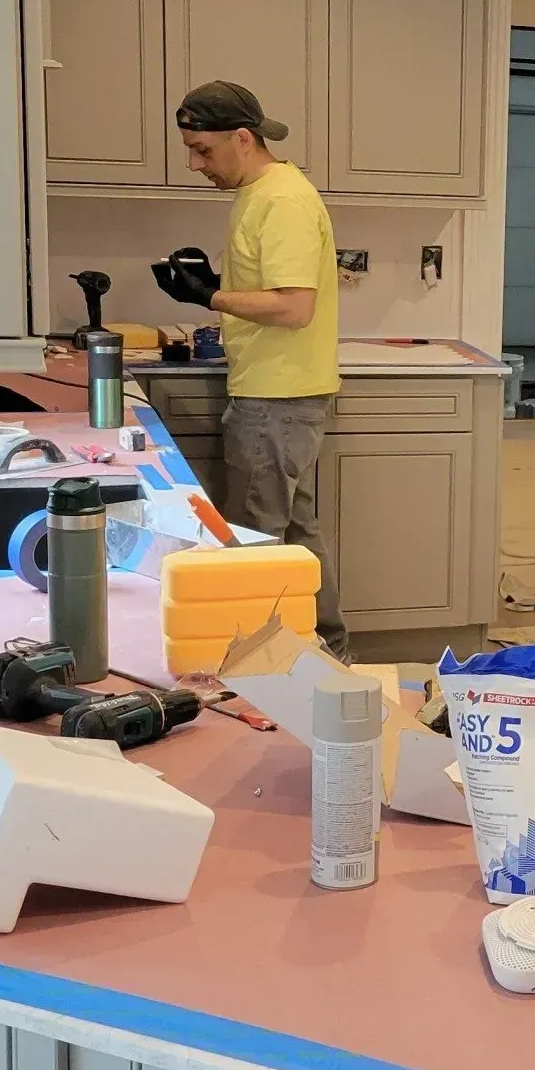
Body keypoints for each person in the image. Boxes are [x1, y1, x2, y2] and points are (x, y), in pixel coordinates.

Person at [151, 81, 345, 650]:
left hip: (276, 400)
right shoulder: (261, 194)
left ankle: (265, 670)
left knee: (255, 542)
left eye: (203, 150)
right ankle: (329, 652)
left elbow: (293, 305)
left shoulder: (281, 201)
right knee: (297, 539)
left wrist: (208, 296)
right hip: (281, 392)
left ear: (242, 138)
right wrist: (217, 288)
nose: (194, 164)